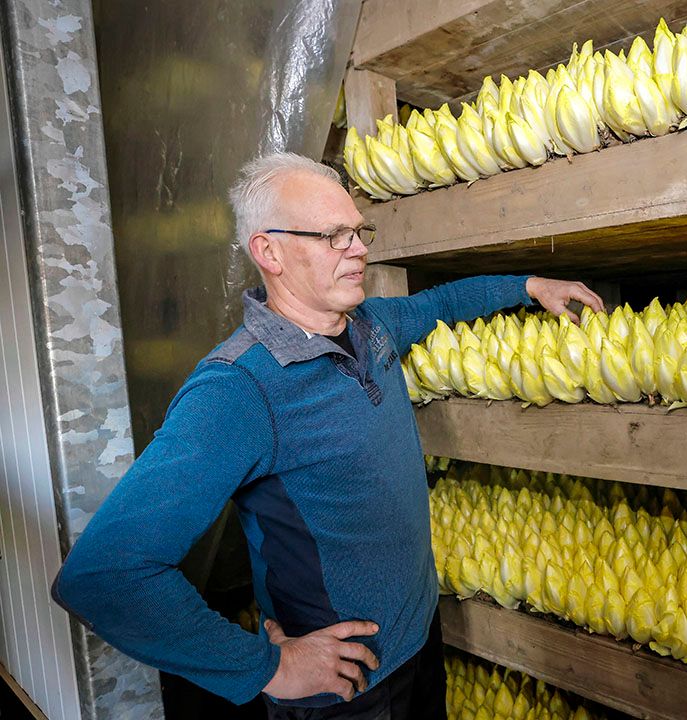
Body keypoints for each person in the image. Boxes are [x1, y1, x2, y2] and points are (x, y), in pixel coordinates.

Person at [51, 152, 605, 718]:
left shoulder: (373, 327)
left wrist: (531, 285)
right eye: (334, 235)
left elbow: (438, 304)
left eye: (359, 231)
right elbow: (106, 575)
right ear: (269, 252)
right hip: (346, 693)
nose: (360, 248)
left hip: (418, 644)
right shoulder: (238, 390)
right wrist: (269, 668)